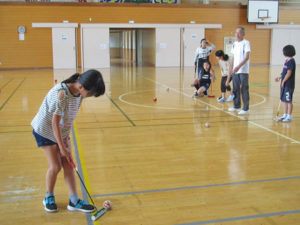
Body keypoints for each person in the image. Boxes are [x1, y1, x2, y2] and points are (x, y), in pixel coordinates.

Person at [31, 70, 105, 213]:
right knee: (56, 166)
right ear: (82, 87)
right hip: (45, 130)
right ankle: (48, 196)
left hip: (61, 131)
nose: (88, 97)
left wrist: (65, 141)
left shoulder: (79, 94)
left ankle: (74, 200)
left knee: (69, 164)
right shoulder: (62, 94)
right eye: (90, 94)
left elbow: (68, 118)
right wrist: (62, 148)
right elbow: (54, 122)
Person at [227, 26, 251, 115]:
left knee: (244, 89)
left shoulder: (246, 43)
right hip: (235, 71)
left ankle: (246, 108)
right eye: (235, 32)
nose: (237, 34)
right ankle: (236, 105)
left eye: (239, 33)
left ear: (243, 34)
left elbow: (246, 57)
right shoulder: (235, 44)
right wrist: (231, 67)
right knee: (235, 89)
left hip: (243, 71)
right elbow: (233, 57)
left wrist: (238, 66)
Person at [275, 45, 296, 122]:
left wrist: (283, 81)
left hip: (288, 84)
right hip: (284, 83)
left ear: (287, 52)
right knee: (284, 100)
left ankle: (289, 116)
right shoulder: (286, 61)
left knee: (288, 100)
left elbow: (289, 73)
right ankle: (285, 115)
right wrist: (279, 77)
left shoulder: (291, 61)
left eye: (284, 51)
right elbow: (284, 72)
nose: (283, 52)